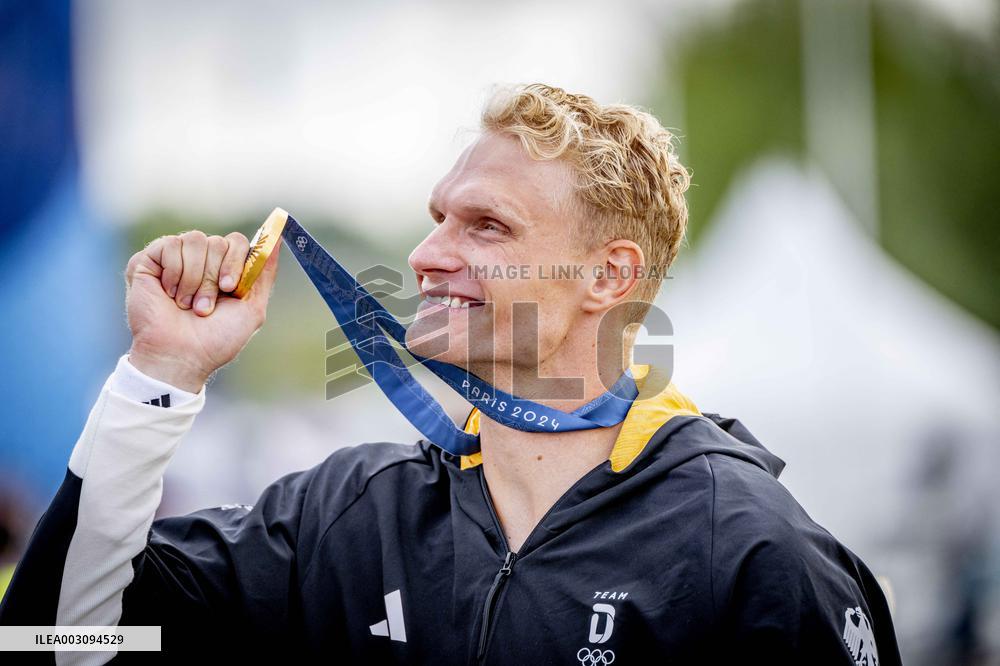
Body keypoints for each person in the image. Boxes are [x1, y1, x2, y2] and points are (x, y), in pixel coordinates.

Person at [0, 83, 900, 665]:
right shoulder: (348, 516)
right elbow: (58, 637)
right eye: (437, 218)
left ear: (609, 277)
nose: (427, 254)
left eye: (487, 227)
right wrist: (163, 369)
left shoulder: (745, 549)